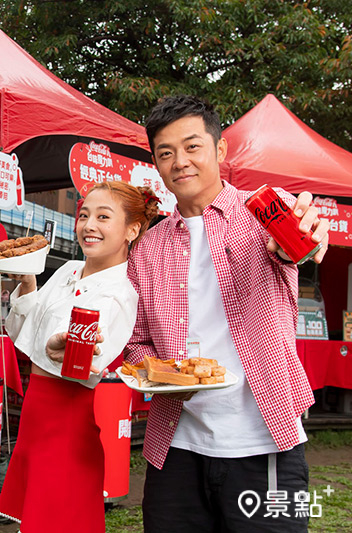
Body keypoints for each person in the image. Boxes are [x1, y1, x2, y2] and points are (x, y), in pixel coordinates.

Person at [126, 95, 330, 532]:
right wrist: (155, 375)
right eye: (166, 153)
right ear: (156, 164)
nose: (180, 161)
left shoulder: (262, 214)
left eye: (193, 146)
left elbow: (299, 244)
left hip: (263, 439)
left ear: (219, 150)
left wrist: (308, 237)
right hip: (176, 445)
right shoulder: (147, 247)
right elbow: (136, 340)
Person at [0, 181, 160, 532]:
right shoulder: (68, 270)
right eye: (84, 215)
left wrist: (62, 350)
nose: (89, 225)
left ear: (132, 229)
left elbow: (83, 364)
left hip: (66, 418)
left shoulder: (121, 294)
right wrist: (26, 283)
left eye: (103, 217)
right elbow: (23, 331)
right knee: (37, 518)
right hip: (36, 412)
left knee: (59, 518)